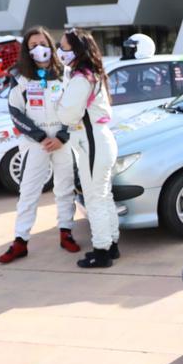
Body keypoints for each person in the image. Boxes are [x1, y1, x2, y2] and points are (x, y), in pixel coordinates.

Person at [0, 27, 81, 264]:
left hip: (63, 140)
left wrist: (62, 135)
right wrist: (40, 136)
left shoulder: (66, 73)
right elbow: (14, 111)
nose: (39, 49)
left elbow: (76, 108)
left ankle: (66, 232)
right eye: (33, 45)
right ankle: (20, 241)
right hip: (36, 143)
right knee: (29, 192)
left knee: (64, 188)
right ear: (26, 49)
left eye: (42, 43)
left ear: (50, 45)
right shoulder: (19, 76)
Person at [54, 28, 120, 268]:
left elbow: (69, 114)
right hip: (99, 140)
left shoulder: (82, 78)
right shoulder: (92, 74)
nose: (60, 51)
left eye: (64, 47)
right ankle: (111, 245)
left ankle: (102, 251)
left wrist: (58, 104)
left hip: (91, 143)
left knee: (95, 199)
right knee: (104, 196)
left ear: (77, 49)